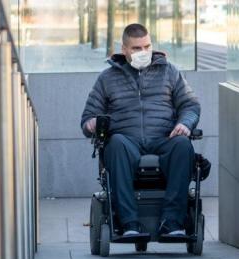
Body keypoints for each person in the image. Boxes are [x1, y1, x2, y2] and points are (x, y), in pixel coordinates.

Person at [80, 23, 200, 238]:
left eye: (147, 46)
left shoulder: (170, 72)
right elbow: (88, 117)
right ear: (124, 49)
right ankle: (129, 223)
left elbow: (190, 105)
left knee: (183, 145)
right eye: (137, 48)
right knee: (116, 144)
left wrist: (185, 123)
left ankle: (171, 222)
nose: (143, 52)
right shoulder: (107, 78)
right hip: (126, 140)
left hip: (165, 137)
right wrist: (91, 124)